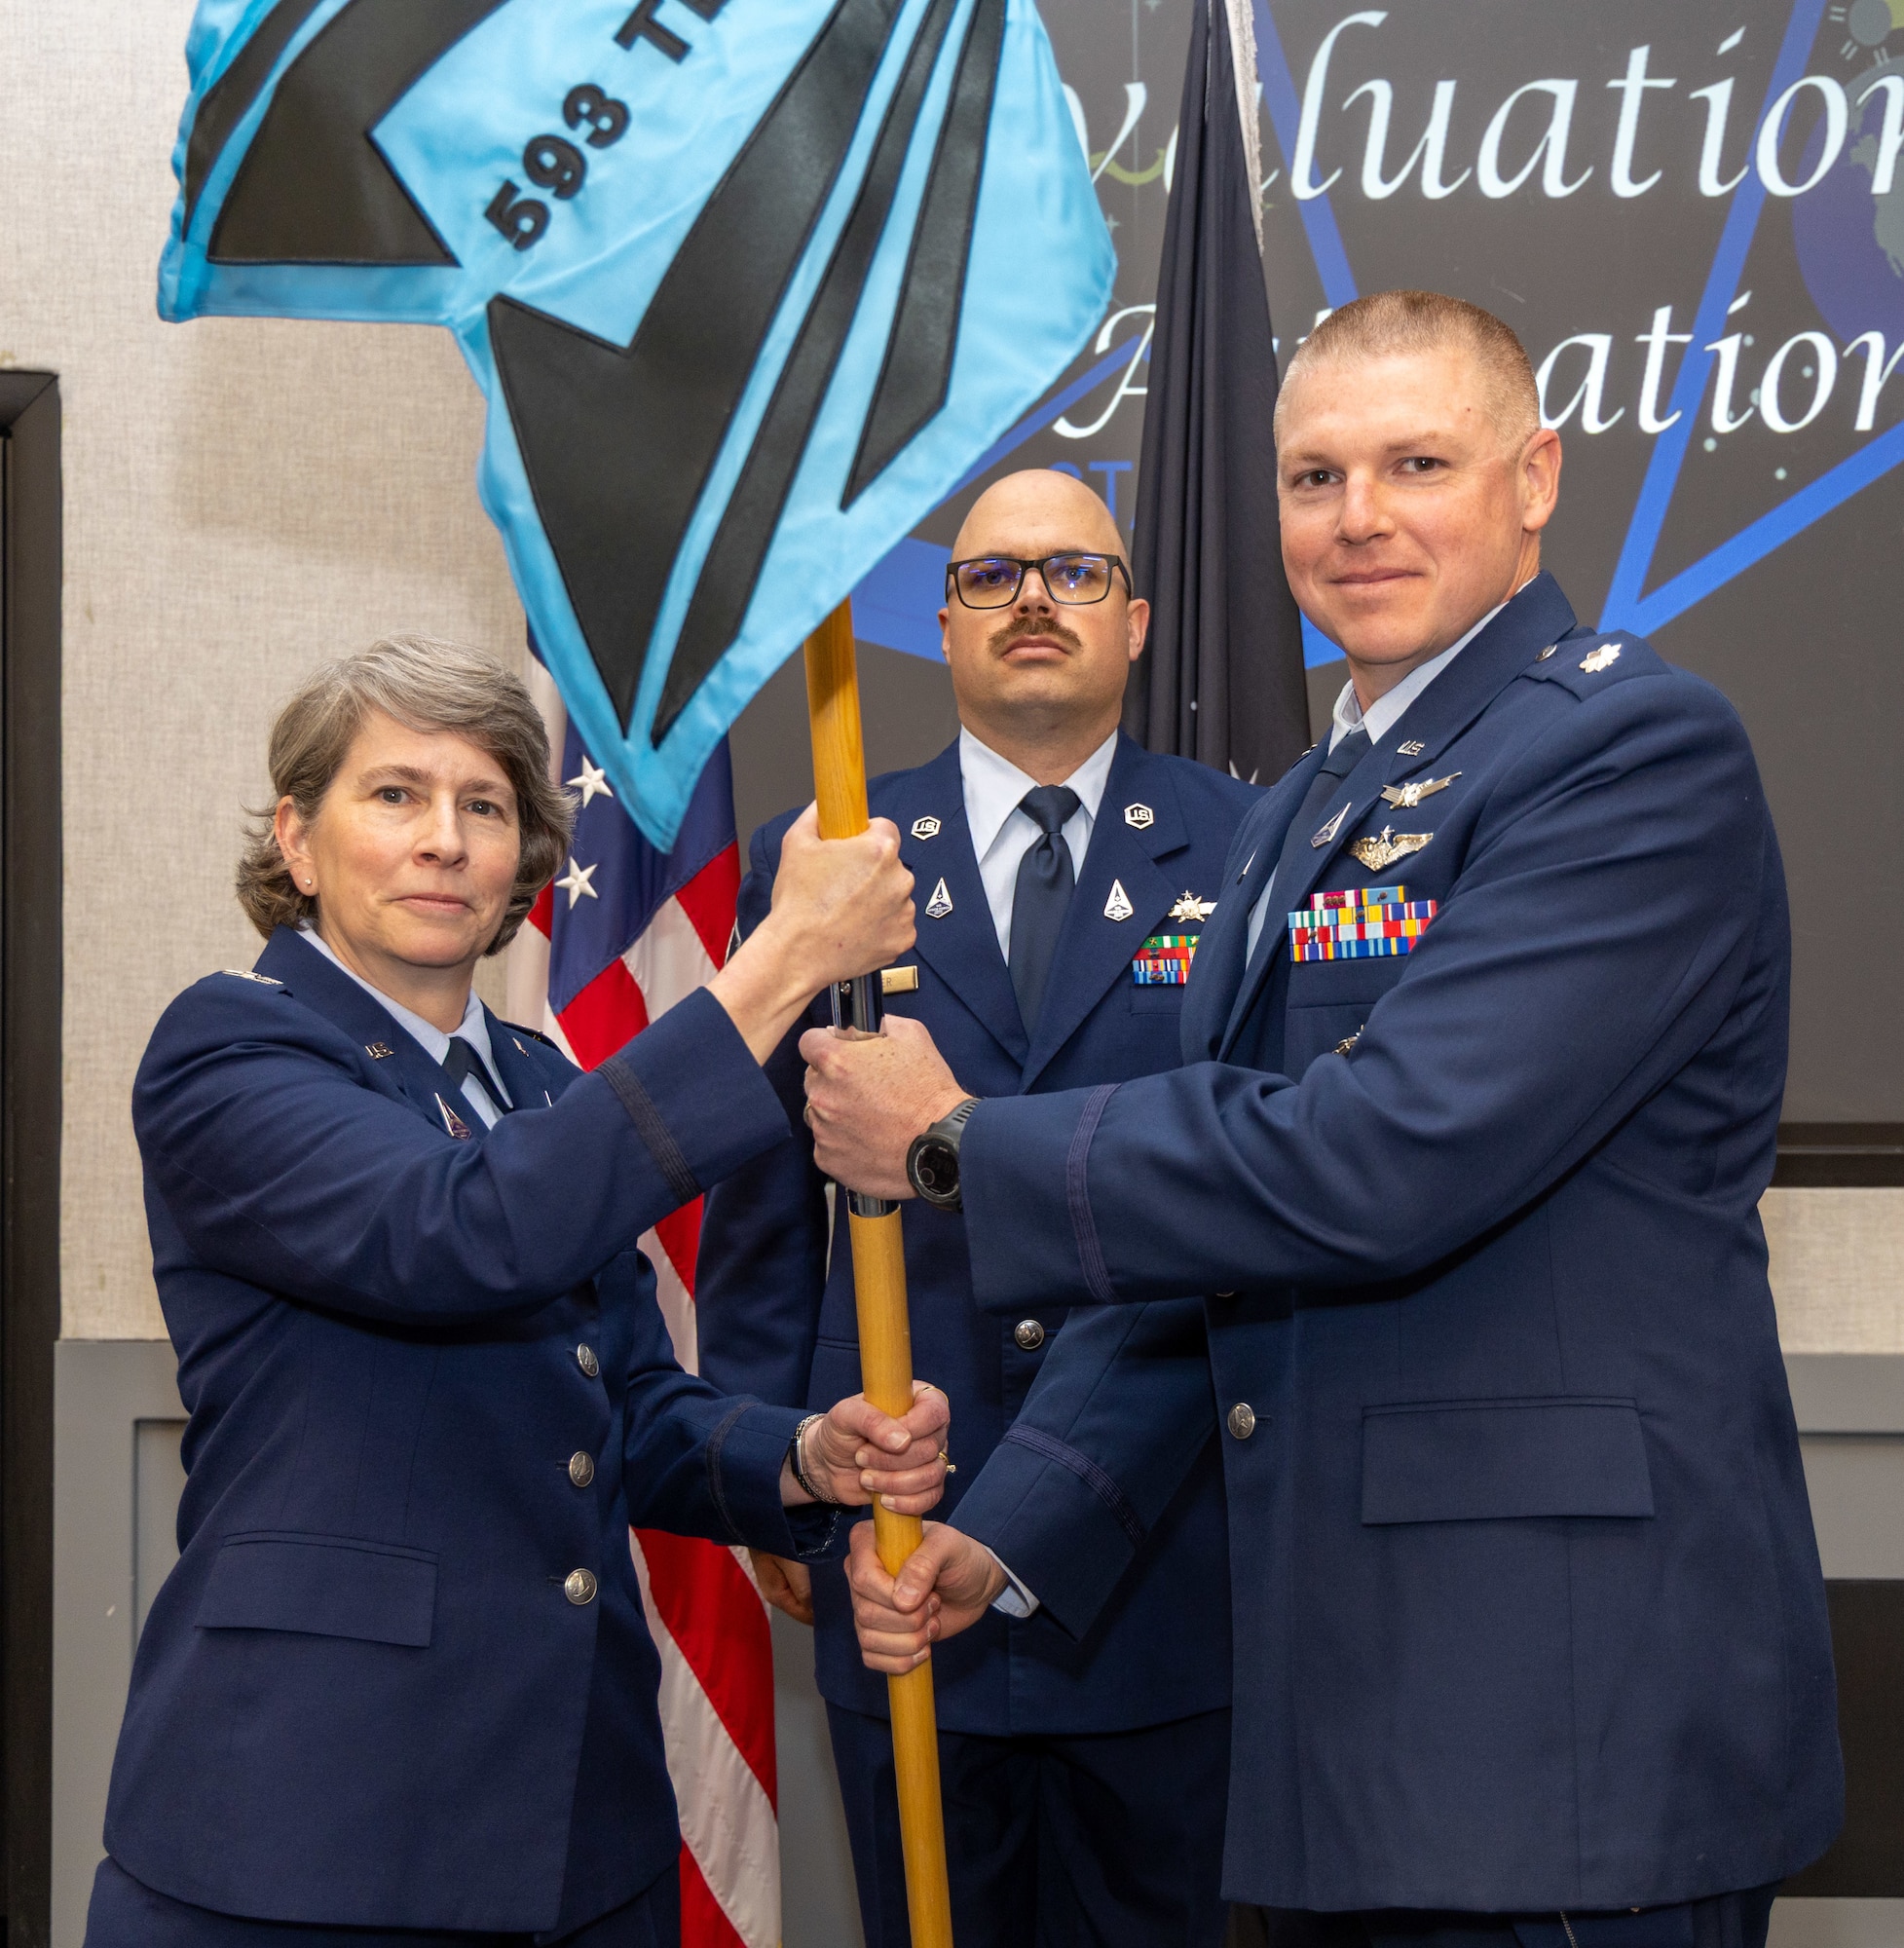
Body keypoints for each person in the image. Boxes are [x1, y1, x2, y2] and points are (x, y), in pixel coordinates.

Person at [803, 293, 1843, 1948]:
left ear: (1535, 480)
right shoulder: (1300, 809)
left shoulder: (1630, 752)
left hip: (1559, 1728)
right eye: (1313, 476)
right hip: (1349, 1729)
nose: (1357, 519)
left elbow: (1376, 1162)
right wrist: (1002, 1542)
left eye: (1415, 463)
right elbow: (1205, 1265)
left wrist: (952, 1144)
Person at [87, 634, 951, 1948]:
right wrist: (780, 965)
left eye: (483, 806)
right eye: (395, 795)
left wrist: (802, 1459)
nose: (443, 839)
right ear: (299, 841)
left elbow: (629, 1408)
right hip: (313, 1833)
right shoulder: (230, 1046)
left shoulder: (547, 1087)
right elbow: (459, 1234)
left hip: (576, 1823)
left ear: (523, 865)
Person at [697, 468, 1258, 1948]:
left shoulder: (1250, 846)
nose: (1031, 600)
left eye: (1074, 574)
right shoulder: (830, 864)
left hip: (1163, 1557)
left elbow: (1245, 1189)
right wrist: (770, 1470)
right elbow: (759, 1209)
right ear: (938, 626)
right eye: (991, 574)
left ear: (1135, 623)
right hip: (894, 1529)